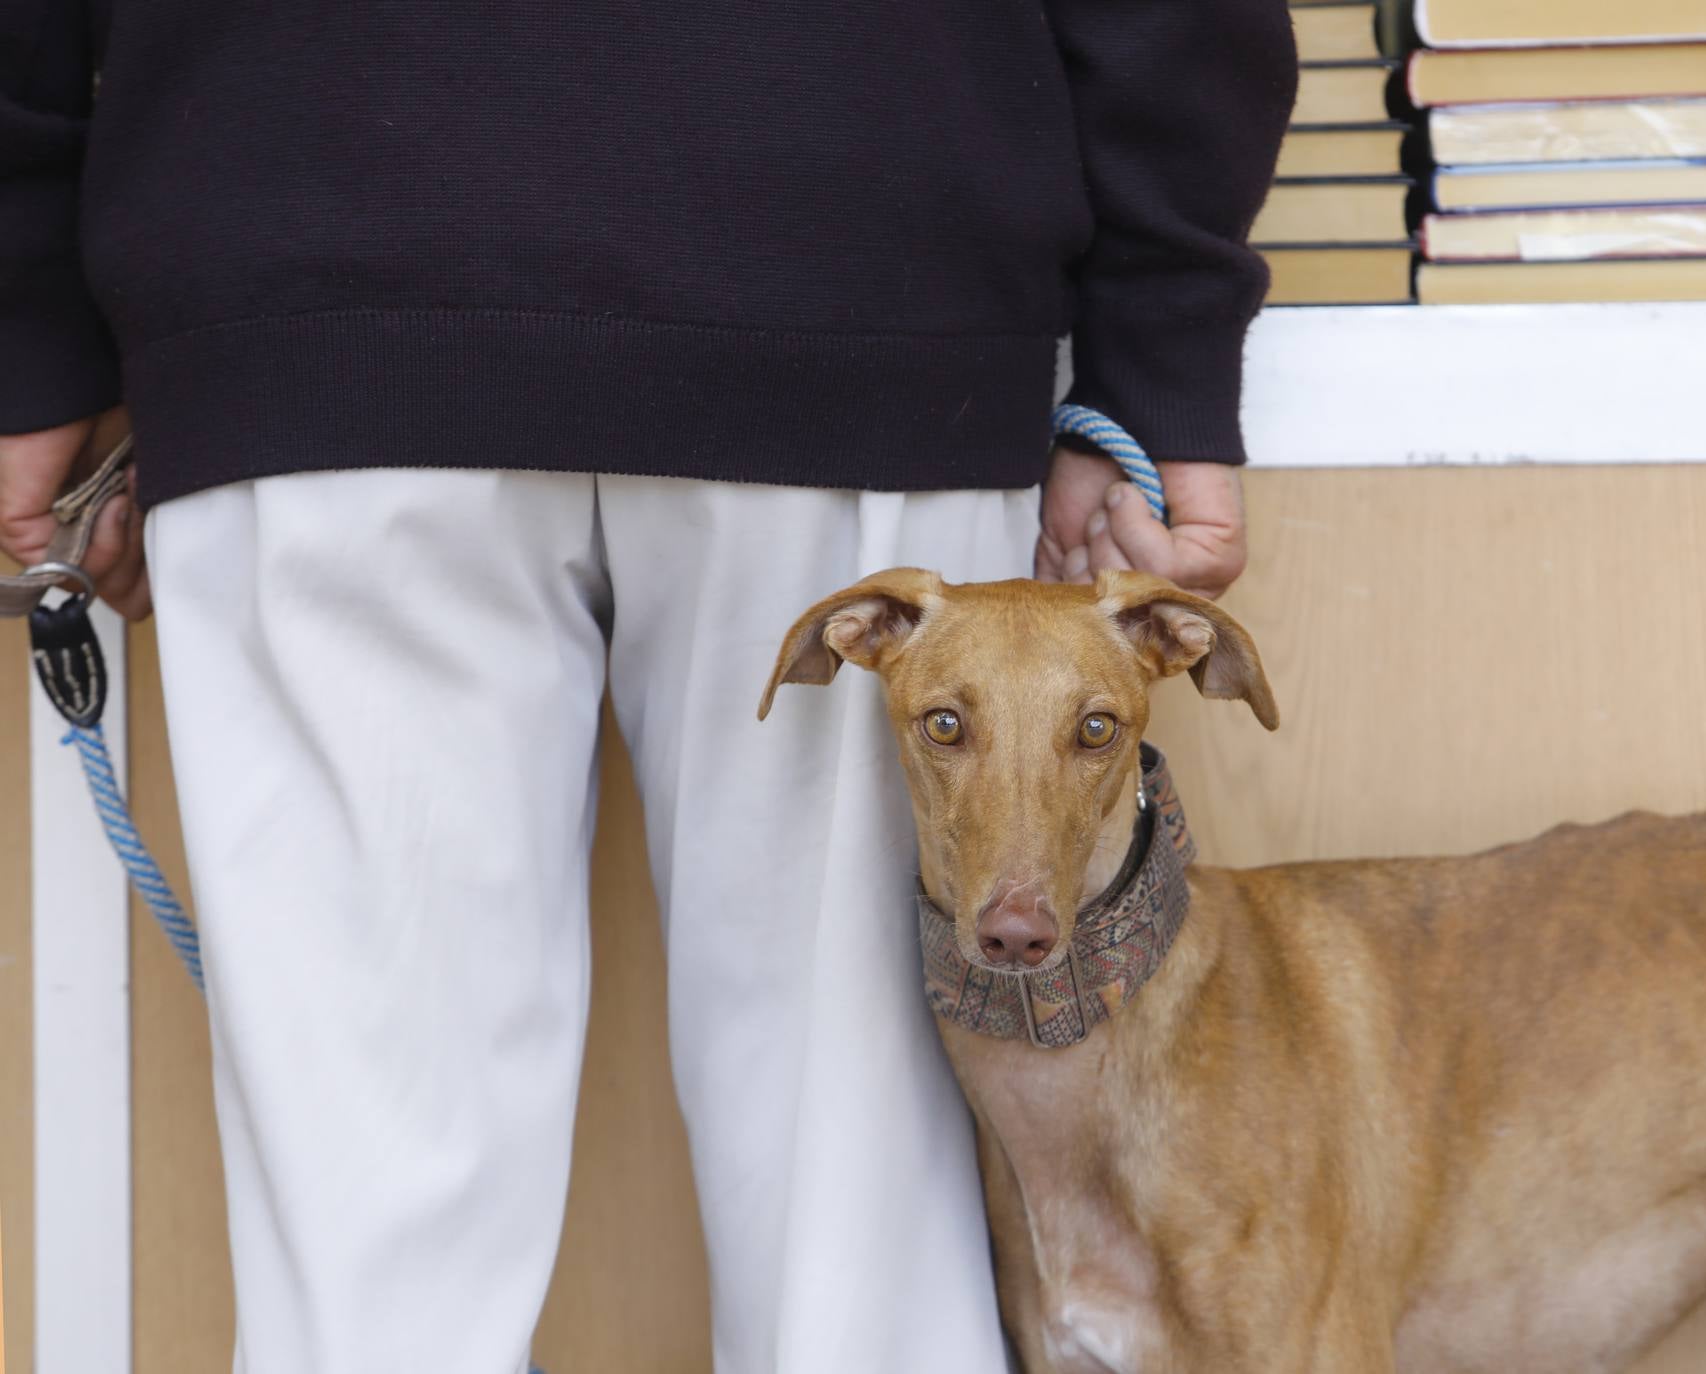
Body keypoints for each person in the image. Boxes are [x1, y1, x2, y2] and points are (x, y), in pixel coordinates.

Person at [0, 1, 1294, 1368]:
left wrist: (31, 336)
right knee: (852, 1220)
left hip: (310, 232)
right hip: (853, 222)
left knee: (370, 1237)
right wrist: (1159, 343)